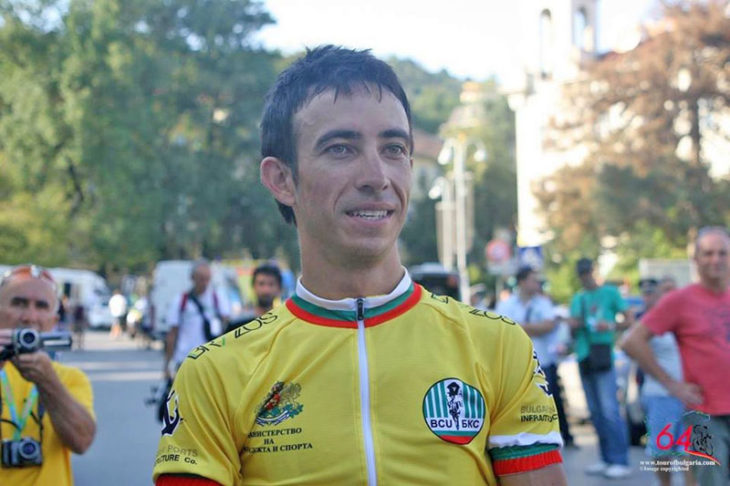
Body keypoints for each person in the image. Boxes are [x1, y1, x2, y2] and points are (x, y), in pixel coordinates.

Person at [153, 46, 566, 486]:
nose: (377, 177)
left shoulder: (499, 346)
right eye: (341, 149)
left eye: (394, 149)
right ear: (282, 179)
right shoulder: (213, 374)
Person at [622, 227, 730, 485]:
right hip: (707, 414)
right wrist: (672, 384)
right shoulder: (681, 301)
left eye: (722, 253)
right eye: (708, 253)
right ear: (696, 259)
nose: (716, 259)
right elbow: (631, 341)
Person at [0, 264, 96, 485]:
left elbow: (82, 442)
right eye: (18, 303)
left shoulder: (70, 378)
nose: (29, 317)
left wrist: (48, 381)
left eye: (42, 306)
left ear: (54, 321)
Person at [568, 257, 634, 479]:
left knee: (609, 410)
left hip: (603, 354)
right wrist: (573, 325)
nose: (586, 277)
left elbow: (629, 319)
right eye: (582, 274)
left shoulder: (610, 293)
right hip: (583, 356)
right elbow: (572, 329)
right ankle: (606, 458)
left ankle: (620, 459)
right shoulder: (578, 298)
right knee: (595, 412)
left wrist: (611, 325)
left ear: (594, 271)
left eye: (588, 272)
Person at [496, 265, 575, 448]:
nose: (537, 283)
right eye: (533, 280)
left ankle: (562, 435)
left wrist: (518, 327)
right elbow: (501, 329)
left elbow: (548, 326)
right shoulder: (507, 304)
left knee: (552, 400)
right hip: (517, 362)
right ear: (522, 282)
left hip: (544, 360)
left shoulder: (542, 303)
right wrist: (534, 327)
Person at [633, 277, 696, 486]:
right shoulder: (652, 320)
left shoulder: (686, 318)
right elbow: (630, 344)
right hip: (660, 395)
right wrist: (667, 382)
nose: (671, 293)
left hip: (688, 396)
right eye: (665, 289)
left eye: (674, 289)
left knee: (689, 449)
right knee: (661, 450)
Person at [163, 260, 230, 380]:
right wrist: (167, 365)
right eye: (201, 279)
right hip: (185, 361)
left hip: (211, 362)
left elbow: (227, 330)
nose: (204, 283)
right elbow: (172, 333)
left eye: (207, 279)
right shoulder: (181, 300)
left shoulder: (218, 299)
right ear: (192, 278)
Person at [226, 263, 283, 333]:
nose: (266, 290)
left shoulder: (283, 325)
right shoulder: (238, 325)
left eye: (271, 284)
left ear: (279, 288)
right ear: (253, 287)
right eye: (261, 284)